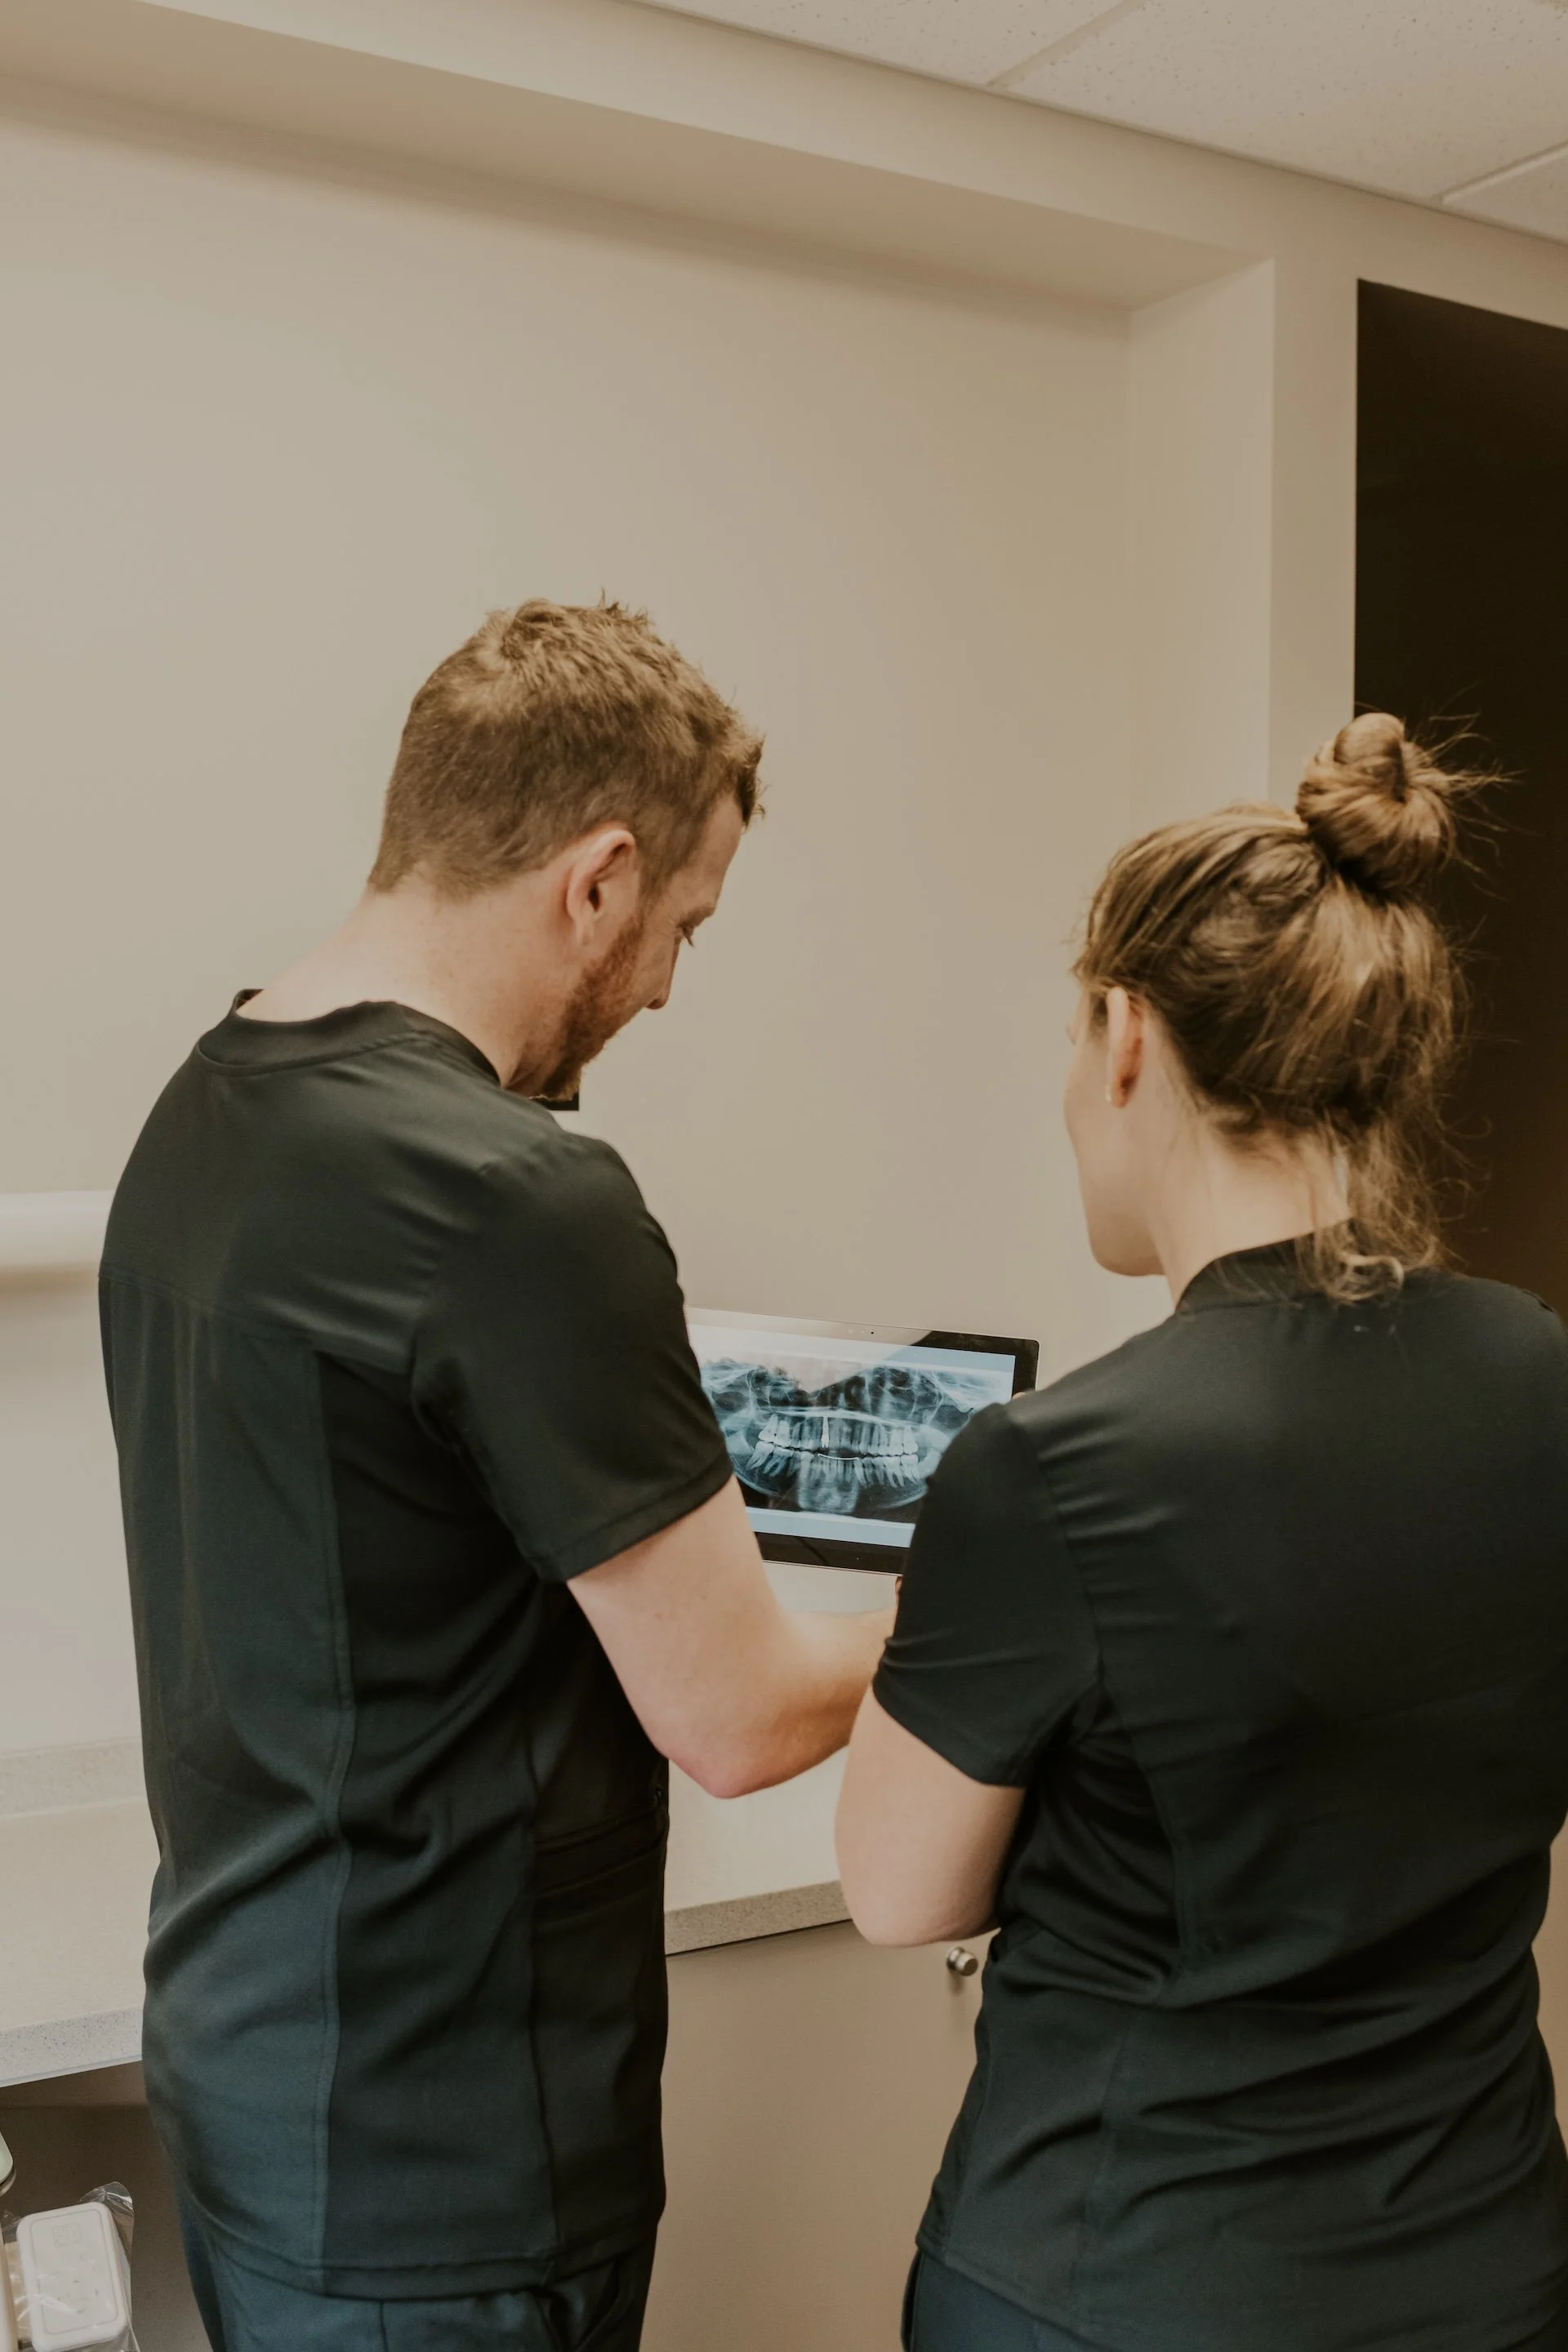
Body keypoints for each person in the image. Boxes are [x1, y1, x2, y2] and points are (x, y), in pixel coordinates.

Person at [100, 600, 890, 2352]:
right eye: (686, 923)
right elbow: (741, 1713)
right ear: (599, 878)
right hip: (446, 2176)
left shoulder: (202, 1109)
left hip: (251, 2082)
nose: (674, 978)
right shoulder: (516, 1198)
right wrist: (999, 1579)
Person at [838, 714, 1568, 2352]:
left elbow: (898, 1894)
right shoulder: (1542, 1372)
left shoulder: (1056, 1468)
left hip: (1134, 2281)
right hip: (1490, 2266)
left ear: (1126, 1040)